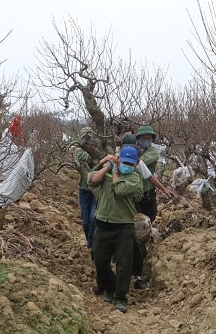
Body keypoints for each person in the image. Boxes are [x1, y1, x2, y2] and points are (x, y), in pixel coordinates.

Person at [88, 146, 143, 313]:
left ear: (135, 164)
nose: (126, 165)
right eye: (124, 162)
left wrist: (116, 172)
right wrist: (104, 164)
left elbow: (119, 190)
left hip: (123, 226)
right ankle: (110, 287)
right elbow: (91, 180)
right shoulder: (108, 169)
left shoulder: (134, 177)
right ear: (118, 159)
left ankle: (120, 297)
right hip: (103, 223)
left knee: (123, 265)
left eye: (130, 163)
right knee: (99, 259)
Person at [119, 133, 173, 290]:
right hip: (115, 211)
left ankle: (136, 276)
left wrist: (164, 189)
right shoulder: (113, 162)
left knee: (135, 240)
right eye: (125, 149)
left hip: (132, 208)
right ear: (120, 149)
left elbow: (150, 177)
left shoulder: (137, 162)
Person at [75, 128, 97, 249]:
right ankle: (89, 241)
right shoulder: (79, 150)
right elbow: (88, 160)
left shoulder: (98, 150)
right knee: (86, 220)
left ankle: (92, 244)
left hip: (97, 189)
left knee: (94, 217)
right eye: (86, 138)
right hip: (85, 189)